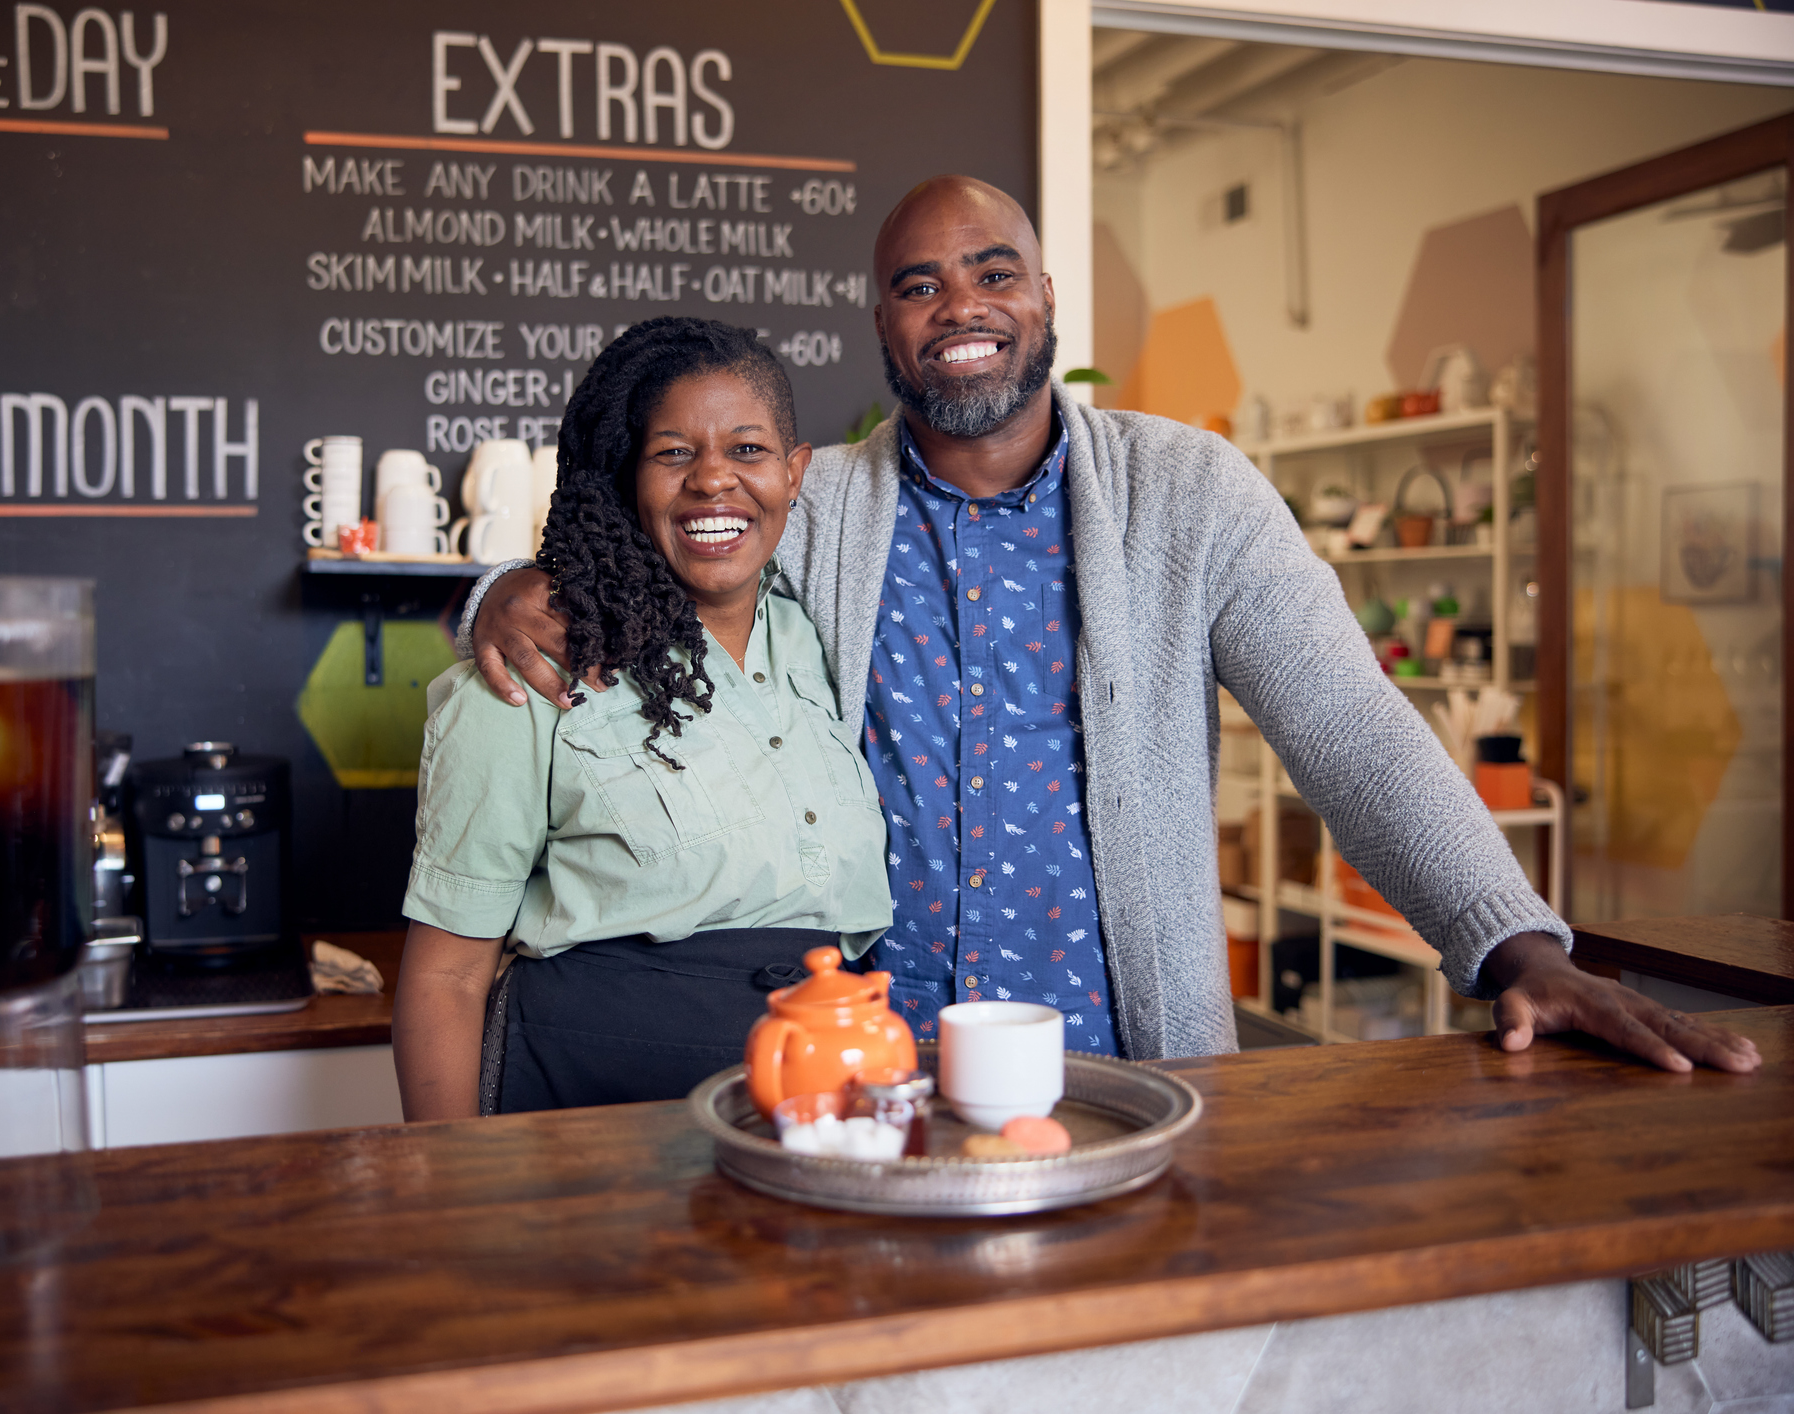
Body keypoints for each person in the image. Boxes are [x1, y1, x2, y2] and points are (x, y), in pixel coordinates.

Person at [463, 175, 1761, 1076]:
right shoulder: (813, 504)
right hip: (855, 1064)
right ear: (882, 328)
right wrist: (508, 594)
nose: (959, 304)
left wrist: (1516, 944)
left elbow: (1351, 724)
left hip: (1128, 1064)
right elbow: (627, 544)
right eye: (918, 284)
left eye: (993, 271)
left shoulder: (1187, 491)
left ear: (1045, 298)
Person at [394, 317, 893, 1120]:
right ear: (627, 474)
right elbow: (446, 979)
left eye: (748, 449)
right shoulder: (533, 668)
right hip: (592, 1110)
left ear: (796, 472)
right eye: (673, 453)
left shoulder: (829, 634)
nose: (712, 481)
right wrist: (453, 1193)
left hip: (823, 1108)